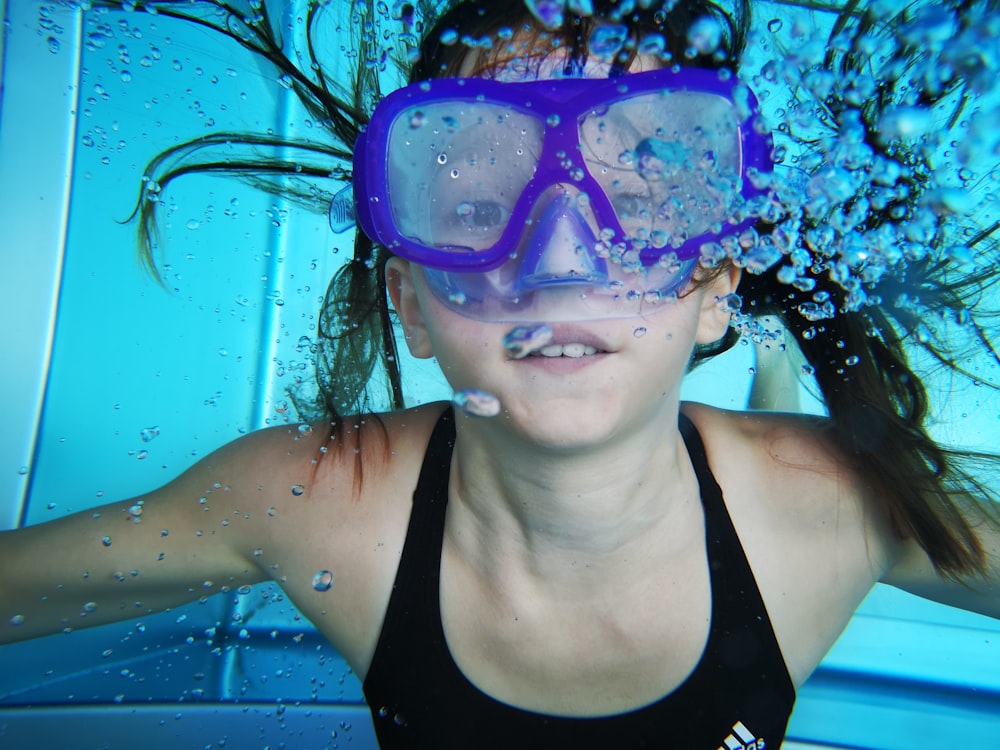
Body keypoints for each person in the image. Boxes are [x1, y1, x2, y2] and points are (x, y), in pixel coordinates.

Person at [2, 0, 999, 747]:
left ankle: (769, 371)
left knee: (784, 429)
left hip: (768, 449)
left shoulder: (833, 505)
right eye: (481, 212)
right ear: (410, 304)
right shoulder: (312, 501)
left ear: (712, 290)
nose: (560, 263)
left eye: (637, 207)